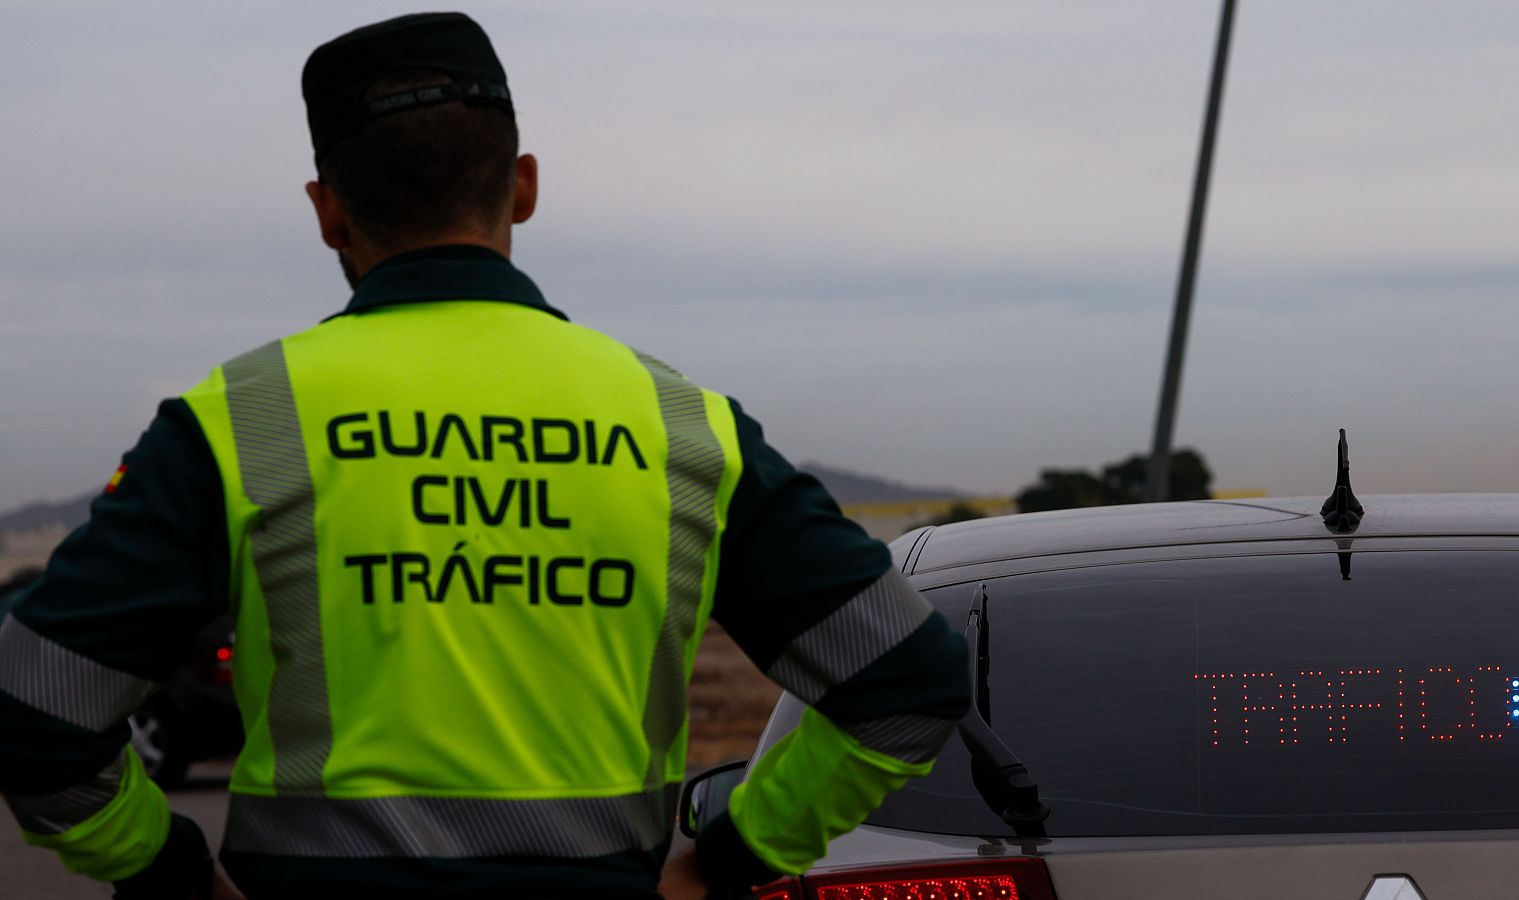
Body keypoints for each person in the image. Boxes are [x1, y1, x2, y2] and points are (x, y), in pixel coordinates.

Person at [0, 12, 969, 900]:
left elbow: (33, 710)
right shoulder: (681, 427)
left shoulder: (238, 423)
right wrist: (731, 860)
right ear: (524, 186)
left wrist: (166, 871)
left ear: (327, 211)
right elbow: (907, 683)